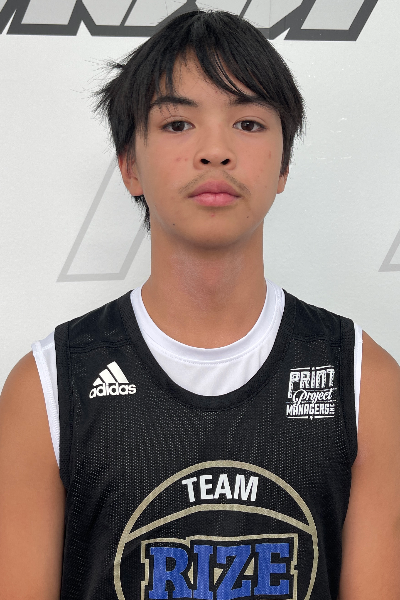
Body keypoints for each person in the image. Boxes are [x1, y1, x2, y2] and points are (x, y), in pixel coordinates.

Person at [0, 9, 399, 600]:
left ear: (284, 165)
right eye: (178, 123)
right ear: (129, 165)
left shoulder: (365, 380)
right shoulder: (49, 386)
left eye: (248, 123)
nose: (215, 150)